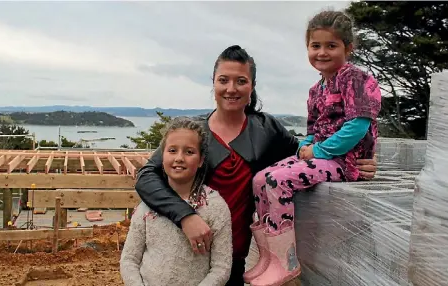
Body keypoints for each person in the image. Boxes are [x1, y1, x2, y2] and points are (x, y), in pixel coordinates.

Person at [134, 44, 378, 286]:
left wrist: (356, 162)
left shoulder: (266, 130)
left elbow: (306, 158)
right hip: (186, 257)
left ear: (252, 86)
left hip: (232, 263)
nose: (231, 89)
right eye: (223, 80)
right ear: (213, 83)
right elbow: (146, 177)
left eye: (241, 81)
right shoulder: (193, 133)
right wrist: (186, 216)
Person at [246, 10, 382, 286]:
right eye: (315, 45)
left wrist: (318, 151)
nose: (322, 52)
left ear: (348, 48)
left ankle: (286, 261)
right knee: (260, 178)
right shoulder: (315, 89)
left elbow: (357, 126)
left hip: (346, 162)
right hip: (324, 158)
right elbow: (313, 130)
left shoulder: (356, 79)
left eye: (331, 46)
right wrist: (305, 146)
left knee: (276, 180)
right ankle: (269, 257)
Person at [120, 117, 233, 286]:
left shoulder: (215, 207)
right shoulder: (147, 206)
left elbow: (221, 267)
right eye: (172, 150)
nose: (179, 158)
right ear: (161, 156)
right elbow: (129, 260)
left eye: (189, 152)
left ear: (201, 160)